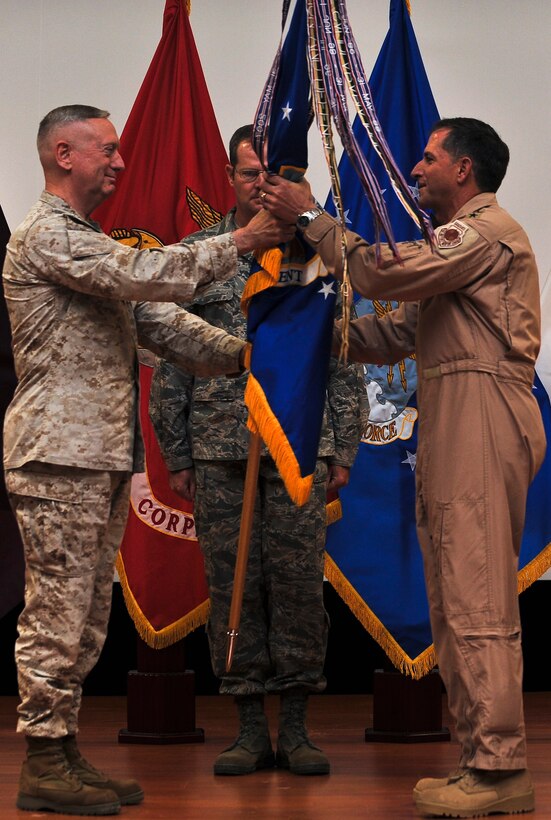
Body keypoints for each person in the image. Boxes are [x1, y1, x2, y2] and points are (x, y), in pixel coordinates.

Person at [2, 105, 295, 817]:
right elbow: (145, 275)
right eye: (106, 149)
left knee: (84, 615)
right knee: (57, 611)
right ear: (63, 154)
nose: (120, 161)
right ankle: (42, 757)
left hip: (95, 454)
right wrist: (242, 241)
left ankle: (63, 751)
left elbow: (159, 322)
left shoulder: (89, 245)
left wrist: (253, 357)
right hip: (58, 454)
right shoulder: (47, 236)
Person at [259, 117, 545, 818]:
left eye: (426, 157)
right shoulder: (463, 256)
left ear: (464, 172)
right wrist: (296, 328)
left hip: (480, 407)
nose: (413, 169)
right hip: (456, 407)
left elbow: (383, 271)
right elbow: (394, 332)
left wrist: (312, 219)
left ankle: (498, 768)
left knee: (474, 596)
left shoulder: (483, 231)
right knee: (455, 591)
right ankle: (481, 760)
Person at [149, 124, 365, 778]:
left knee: (298, 585)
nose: (259, 187)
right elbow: (172, 359)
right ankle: (246, 725)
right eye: (248, 175)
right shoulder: (199, 255)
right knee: (233, 587)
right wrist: (178, 453)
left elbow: (343, 359)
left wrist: (343, 445)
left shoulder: (318, 254)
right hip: (220, 450)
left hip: (299, 448)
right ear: (229, 175)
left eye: (271, 176)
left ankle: (295, 727)